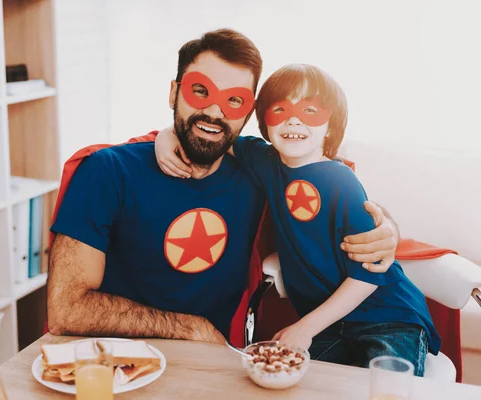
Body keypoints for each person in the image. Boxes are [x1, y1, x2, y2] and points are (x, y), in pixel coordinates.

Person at [47, 29, 400, 348]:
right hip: (110, 361)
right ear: (174, 93)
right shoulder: (106, 171)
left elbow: (329, 192)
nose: (214, 111)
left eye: (234, 100)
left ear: (249, 114)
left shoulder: (260, 175)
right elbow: (66, 310)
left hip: (213, 367)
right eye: (199, 91)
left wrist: (387, 229)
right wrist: (191, 329)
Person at [154, 63, 440, 376]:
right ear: (265, 120)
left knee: (386, 389)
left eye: (310, 110)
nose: (293, 119)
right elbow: (213, 135)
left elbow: (367, 276)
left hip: (387, 316)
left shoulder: (340, 181)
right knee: (286, 379)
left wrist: (304, 328)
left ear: (330, 125)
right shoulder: (264, 160)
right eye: (280, 109)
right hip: (330, 325)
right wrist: (166, 135)